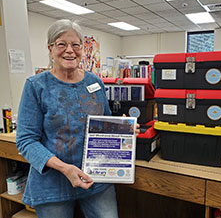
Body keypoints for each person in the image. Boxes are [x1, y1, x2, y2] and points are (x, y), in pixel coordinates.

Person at [16, 19, 139, 218]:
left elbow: (103, 123)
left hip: (96, 179)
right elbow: (26, 140)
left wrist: (123, 128)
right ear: (50, 49)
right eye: (61, 44)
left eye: (75, 45)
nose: (69, 50)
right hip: (52, 185)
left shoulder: (95, 82)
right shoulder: (36, 86)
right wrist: (65, 168)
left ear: (82, 49)